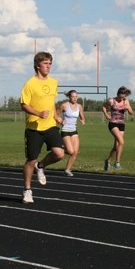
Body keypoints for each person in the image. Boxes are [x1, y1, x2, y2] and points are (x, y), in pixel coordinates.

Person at [20, 51, 65, 204]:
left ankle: (42, 165)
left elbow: (51, 103)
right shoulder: (30, 84)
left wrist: (56, 116)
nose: (48, 66)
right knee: (30, 161)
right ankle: (27, 190)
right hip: (34, 128)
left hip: (50, 126)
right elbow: (24, 104)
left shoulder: (53, 82)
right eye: (46, 63)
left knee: (59, 154)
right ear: (37, 65)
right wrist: (38, 113)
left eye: (50, 63)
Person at [102, 86, 133, 171]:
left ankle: (108, 161)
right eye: (120, 97)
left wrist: (128, 108)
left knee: (116, 146)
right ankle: (117, 163)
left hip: (121, 124)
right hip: (113, 123)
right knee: (121, 142)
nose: (121, 99)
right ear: (118, 94)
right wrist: (106, 114)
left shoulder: (126, 101)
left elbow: (131, 113)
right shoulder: (112, 101)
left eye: (123, 97)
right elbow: (104, 106)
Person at [57, 90, 85, 176]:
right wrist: (61, 120)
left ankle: (68, 169)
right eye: (73, 96)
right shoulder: (64, 105)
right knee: (70, 151)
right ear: (69, 97)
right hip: (65, 131)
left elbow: (82, 116)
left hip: (74, 131)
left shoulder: (79, 106)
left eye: (76, 96)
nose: (75, 98)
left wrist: (82, 120)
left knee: (75, 152)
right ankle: (59, 149)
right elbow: (56, 114)